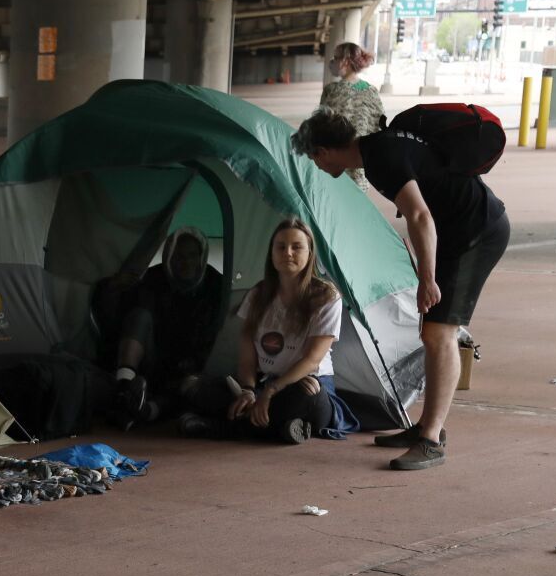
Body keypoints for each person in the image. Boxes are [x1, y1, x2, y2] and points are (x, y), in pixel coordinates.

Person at [293, 108, 509, 470]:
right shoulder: (380, 149)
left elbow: (420, 216)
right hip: (460, 232)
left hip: (478, 233)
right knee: (431, 331)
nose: (315, 165)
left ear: (324, 151)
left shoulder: (380, 158)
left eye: (313, 157)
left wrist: (427, 279)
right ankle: (426, 426)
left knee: (441, 333)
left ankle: (431, 441)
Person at [178, 218, 357, 444]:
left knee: (308, 392)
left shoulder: (326, 297)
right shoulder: (258, 294)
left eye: (297, 247)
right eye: (280, 246)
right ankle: (283, 428)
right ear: (271, 253)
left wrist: (270, 392)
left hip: (305, 385)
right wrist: (248, 390)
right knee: (194, 385)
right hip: (266, 384)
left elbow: (312, 360)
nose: (288, 252)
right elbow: (247, 356)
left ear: (310, 253)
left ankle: (222, 428)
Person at [109, 227, 223, 428]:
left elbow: (214, 332)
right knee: (139, 315)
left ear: (201, 257)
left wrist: (193, 364)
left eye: (192, 256)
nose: (185, 262)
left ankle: (146, 411)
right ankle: (124, 386)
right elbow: (133, 319)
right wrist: (114, 288)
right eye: (179, 256)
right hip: (152, 357)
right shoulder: (154, 278)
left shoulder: (216, 284)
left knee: (189, 385)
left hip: (192, 364)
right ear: (169, 256)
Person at [317, 42, 385, 184]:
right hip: (361, 167)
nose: (332, 62)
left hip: (333, 166)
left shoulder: (332, 90)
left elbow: (319, 128)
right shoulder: (371, 90)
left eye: (335, 58)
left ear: (345, 61)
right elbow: (379, 126)